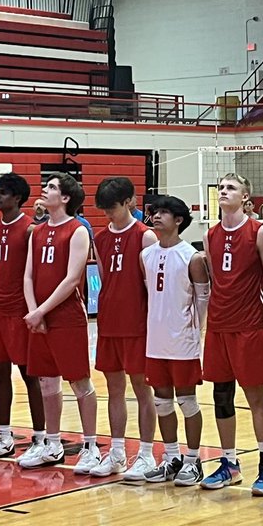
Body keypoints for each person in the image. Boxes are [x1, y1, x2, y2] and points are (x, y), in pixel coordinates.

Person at [200, 172, 263, 495]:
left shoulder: (259, 233)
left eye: (231, 187)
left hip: (247, 327)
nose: (223, 191)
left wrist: (258, 313)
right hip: (218, 326)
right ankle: (229, 463)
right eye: (221, 187)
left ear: (246, 197)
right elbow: (215, 278)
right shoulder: (210, 234)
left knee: (255, 396)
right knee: (221, 395)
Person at [20, 174, 100, 470]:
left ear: (65, 198)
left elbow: (71, 280)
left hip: (66, 316)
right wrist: (33, 312)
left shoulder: (78, 230)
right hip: (38, 316)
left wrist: (41, 311)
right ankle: (52, 444)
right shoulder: (37, 232)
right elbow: (27, 275)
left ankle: (91, 446)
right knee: (46, 382)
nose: (45, 189)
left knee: (79, 381)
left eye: (52, 187)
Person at [90, 176, 158, 479]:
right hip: (109, 324)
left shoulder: (145, 237)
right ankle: (116, 452)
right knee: (113, 390)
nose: (108, 215)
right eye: (104, 210)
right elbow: (105, 280)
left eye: (113, 208)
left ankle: (146, 454)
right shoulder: (100, 238)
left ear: (130, 201)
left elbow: (151, 287)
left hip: (137, 325)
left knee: (143, 391)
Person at [139, 195, 209, 486]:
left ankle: (193, 461)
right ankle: (171, 458)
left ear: (178, 220)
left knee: (187, 401)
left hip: (183, 340)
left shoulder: (191, 257)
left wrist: (196, 332)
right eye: (155, 212)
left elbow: (203, 299)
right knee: (162, 403)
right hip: (155, 340)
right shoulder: (147, 255)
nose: (156, 216)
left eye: (164, 212)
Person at [0, 173, 46, 461]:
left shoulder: (30, 230)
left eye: (3, 193)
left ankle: (42, 438)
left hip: (21, 313)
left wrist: (35, 311)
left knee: (31, 376)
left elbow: (37, 274)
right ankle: (3, 436)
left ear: (17, 197)